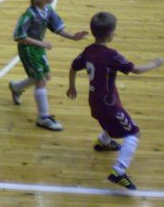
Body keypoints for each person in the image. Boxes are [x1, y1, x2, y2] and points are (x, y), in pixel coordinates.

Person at [67, 11, 163, 190]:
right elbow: (136, 70)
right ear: (110, 33)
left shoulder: (88, 50)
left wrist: (71, 87)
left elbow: (73, 67)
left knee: (108, 121)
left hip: (94, 100)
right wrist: (156, 63)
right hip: (109, 104)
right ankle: (119, 171)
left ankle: (103, 142)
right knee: (134, 133)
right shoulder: (111, 55)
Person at [9, 0, 88, 131]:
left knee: (45, 76)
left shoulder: (48, 10)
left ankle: (16, 87)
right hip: (28, 49)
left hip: (38, 48)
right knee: (40, 80)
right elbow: (18, 36)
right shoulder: (29, 15)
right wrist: (41, 43)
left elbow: (58, 28)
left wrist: (73, 37)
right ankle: (43, 117)